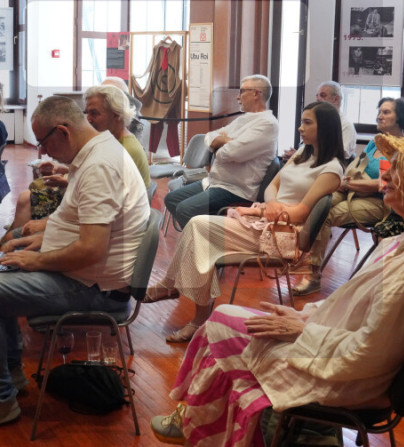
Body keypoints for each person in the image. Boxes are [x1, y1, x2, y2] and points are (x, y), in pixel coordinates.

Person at [149, 128, 404, 446]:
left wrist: (304, 329)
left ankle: (201, 425)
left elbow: (371, 352)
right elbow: (357, 310)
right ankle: (202, 419)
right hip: (339, 349)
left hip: (349, 378)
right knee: (224, 317)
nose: (385, 176)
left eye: (398, 169)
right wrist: (305, 317)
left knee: (220, 327)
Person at [0, 96, 149, 433]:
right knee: (2, 263)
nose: (42, 151)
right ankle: (8, 376)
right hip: (90, 276)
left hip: (96, 289)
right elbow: (81, 224)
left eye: (43, 142)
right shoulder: (97, 152)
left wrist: (38, 259)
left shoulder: (99, 166)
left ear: (63, 131)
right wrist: (40, 239)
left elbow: (91, 249)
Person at [145, 101, 347, 343]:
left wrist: (262, 211)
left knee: (199, 227)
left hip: (285, 235)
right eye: (301, 121)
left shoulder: (332, 169)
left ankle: (176, 293)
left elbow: (300, 214)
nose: (300, 128)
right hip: (269, 221)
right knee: (199, 234)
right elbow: (272, 186)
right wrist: (270, 205)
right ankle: (185, 304)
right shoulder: (302, 153)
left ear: (324, 127)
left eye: (307, 123)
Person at [292, 97, 404, 296]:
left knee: (325, 214)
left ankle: (313, 275)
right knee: (317, 202)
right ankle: (296, 254)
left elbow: (384, 185)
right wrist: (344, 181)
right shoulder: (376, 142)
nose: (379, 116)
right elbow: (358, 166)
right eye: (379, 111)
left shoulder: (403, 148)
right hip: (353, 191)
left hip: (379, 202)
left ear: (400, 118)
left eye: (386, 112)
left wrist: (348, 184)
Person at [6, 84, 151, 235]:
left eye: (94, 113)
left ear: (116, 115)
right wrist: (64, 170)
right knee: (26, 199)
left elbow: (100, 196)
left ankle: (12, 239)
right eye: (86, 113)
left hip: (110, 225)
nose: (88, 119)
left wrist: (45, 225)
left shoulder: (122, 150)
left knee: (25, 203)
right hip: (98, 216)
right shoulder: (110, 144)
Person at [164, 75, 279, 230]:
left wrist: (219, 145)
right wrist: (225, 141)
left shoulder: (268, 124)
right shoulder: (243, 119)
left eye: (242, 91)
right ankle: (198, 234)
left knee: (185, 209)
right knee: (171, 199)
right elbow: (209, 137)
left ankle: (201, 240)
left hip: (235, 189)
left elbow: (230, 153)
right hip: (215, 182)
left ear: (256, 93)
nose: (238, 97)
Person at [281, 81, 356, 162]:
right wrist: (298, 155)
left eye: (323, 95)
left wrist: (300, 156)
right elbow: (310, 147)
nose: (318, 99)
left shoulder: (346, 125)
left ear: (335, 99)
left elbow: (340, 154)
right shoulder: (318, 120)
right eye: (317, 96)